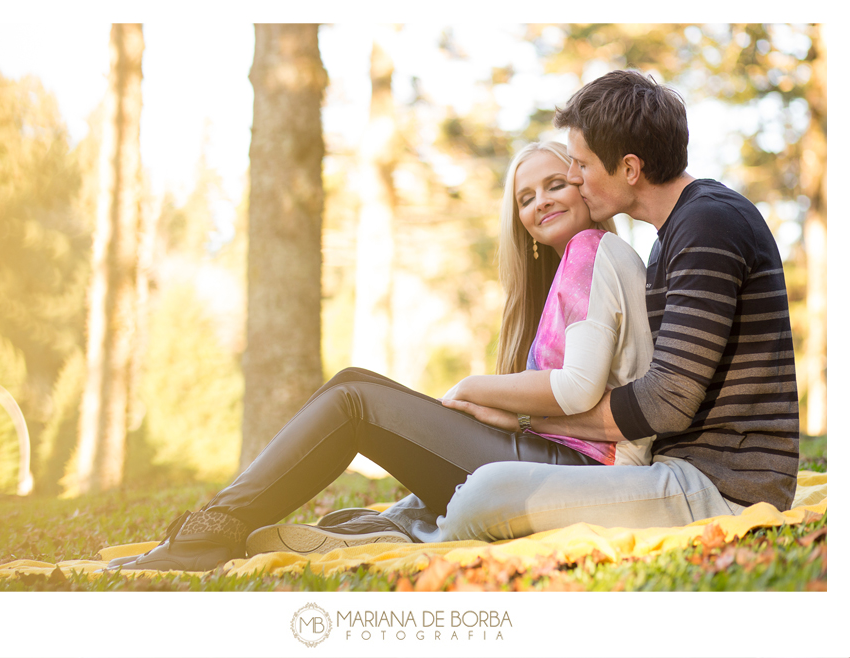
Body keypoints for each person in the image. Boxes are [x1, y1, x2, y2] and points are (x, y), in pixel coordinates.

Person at [111, 140, 654, 572]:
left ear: (586, 190)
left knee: (353, 398)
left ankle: (213, 530)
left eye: (556, 184)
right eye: (526, 197)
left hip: (578, 473)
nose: (542, 202)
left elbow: (577, 388)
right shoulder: (580, 265)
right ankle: (371, 525)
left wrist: (472, 389)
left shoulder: (591, 251)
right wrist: (502, 412)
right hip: (555, 460)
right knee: (354, 390)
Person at [433, 69, 799, 543]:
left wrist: (526, 418)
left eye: (581, 165)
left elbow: (664, 402)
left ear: (629, 169)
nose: (572, 177)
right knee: (484, 480)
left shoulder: (708, 224)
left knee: (487, 493)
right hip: (681, 474)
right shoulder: (673, 238)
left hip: (724, 488)